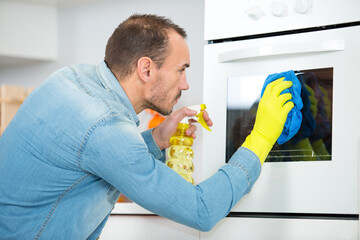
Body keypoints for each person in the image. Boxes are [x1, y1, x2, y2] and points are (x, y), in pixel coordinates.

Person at [0, 14, 294, 239]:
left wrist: (156, 137)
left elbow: (91, 153)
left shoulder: (73, 78)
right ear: (146, 69)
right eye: (181, 70)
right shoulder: (107, 125)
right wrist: (261, 136)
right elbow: (201, 209)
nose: (185, 84)